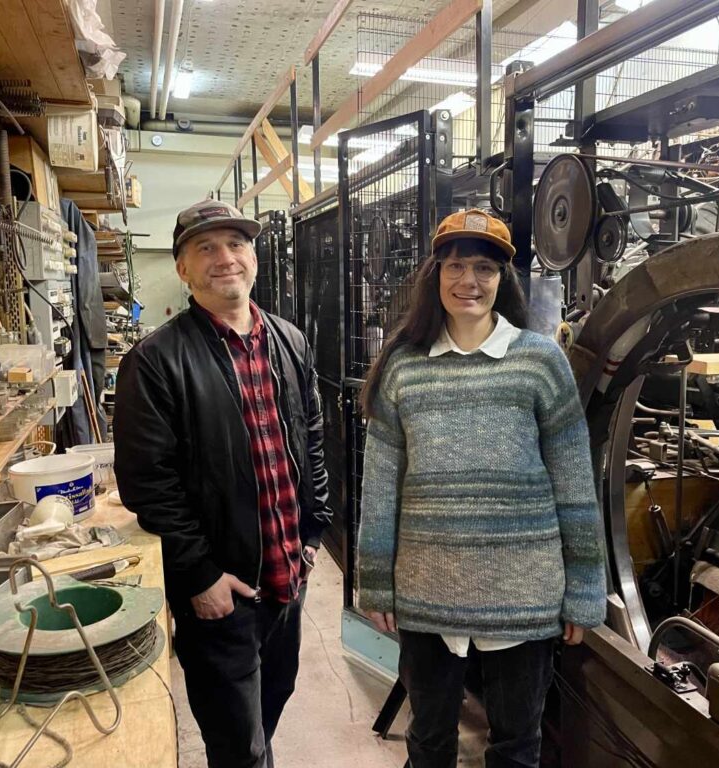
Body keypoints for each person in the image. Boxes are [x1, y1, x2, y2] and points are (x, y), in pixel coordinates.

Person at [356, 209, 606, 768]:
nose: (469, 281)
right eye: (457, 265)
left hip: (524, 592)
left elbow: (573, 481)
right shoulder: (402, 367)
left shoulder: (540, 362)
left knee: (517, 747)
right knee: (429, 743)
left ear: (503, 280)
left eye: (486, 269)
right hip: (427, 592)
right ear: (435, 274)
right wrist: (374, 581)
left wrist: (585, 587)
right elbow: (379, 486)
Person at [114, 200, 333, 768]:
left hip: (288, 574)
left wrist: (314, 533)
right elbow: (148, 486)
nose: (224, 259)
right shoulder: (155, 361)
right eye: (205, 248)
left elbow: (311, 439)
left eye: (236, 244)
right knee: (237, 743)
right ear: (182, 269)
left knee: (271, 704)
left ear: (253, 257)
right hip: (222, 591)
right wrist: (199, 575)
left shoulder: (289, 341)